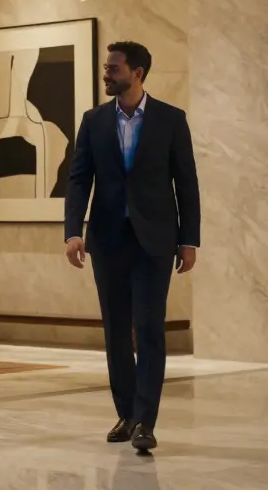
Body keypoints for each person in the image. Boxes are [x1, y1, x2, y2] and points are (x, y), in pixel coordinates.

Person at [63, 41, 200, 453]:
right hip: (107, 242)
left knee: (150, 331)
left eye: (114, 68)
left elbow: (186, 182)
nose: (107, 74)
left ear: (137, 72)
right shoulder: (93, 120)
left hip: (155, 242)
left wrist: (189, 239)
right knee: (117, 333)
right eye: (107, 68)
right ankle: (127, 414)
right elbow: (78, 179)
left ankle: (147, 421)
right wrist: (73, 231)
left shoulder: (171, 120)